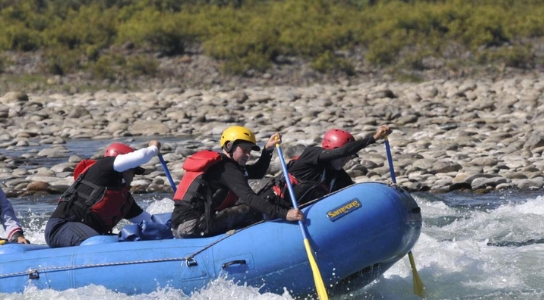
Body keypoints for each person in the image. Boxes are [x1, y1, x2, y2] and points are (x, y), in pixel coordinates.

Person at [171, 125, 304, 239]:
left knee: (244, 206)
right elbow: (250, 198)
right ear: (229, 146)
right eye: (244, 150)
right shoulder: (226, 168)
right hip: (191, 227)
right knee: (251, 209)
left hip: (183, 225)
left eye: (249, 151)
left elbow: (257, 172)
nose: (248, 155)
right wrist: (285, 214)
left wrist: (267, 150)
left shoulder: (226, 166)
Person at [44, 141, 161, 248]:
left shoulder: (125, 200)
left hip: (90, 236)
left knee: (132, 239)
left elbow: (148, 222)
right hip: (62, 227)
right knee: (100, 244)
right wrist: (154, 147)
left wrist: (169, 228)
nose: (133, 175)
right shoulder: (103, 168)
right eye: (133, 170)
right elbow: (141, 156)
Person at [265, 125, 392, 206]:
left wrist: (386, 191)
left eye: (349, 157)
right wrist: (373, 138)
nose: (346, 160)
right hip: (273, 206)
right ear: (332, 152)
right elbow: (342, 151)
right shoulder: (311, 155)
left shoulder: (339, 176)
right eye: (343, 156)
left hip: (300, 214)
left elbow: (355, 195)